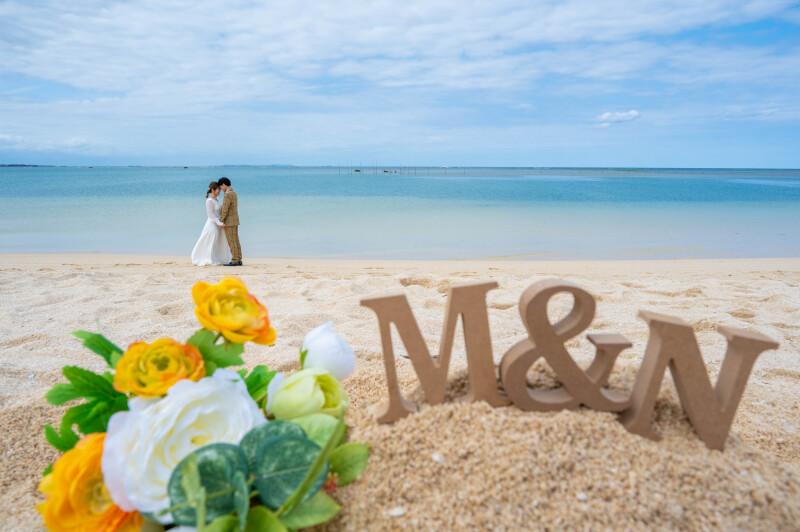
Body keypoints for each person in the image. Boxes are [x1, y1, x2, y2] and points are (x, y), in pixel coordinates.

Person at [191, 181, 232, 266]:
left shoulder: (217, 199)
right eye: (218, 190)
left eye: (220, 190)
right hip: (212, 224)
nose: (219, 192)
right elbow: (211, 215)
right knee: (211, 242)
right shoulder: (209, 201)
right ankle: (208, 259)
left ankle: (217, 258)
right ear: (213, 190)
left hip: (219, 224)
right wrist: (219, 223)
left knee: (218, 242)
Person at [218, 177, 242, 266]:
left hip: (229, 221)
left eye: (221, 186)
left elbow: (225, 209)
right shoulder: (234, 193)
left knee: (231, 241)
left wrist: (221, 221)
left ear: (223, 184)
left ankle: (235, 259)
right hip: (235, 220)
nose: (221, 188)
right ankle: (239, 258)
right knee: (236, 240)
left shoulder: (227, 195)